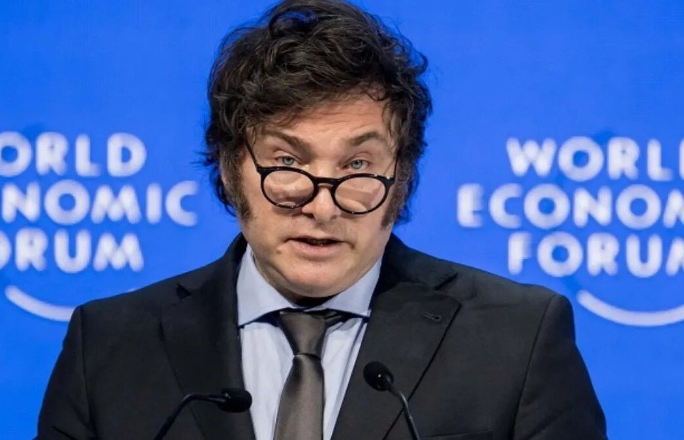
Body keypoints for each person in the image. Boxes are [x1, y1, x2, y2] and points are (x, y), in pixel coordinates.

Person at [37, 0, 607, 439]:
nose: (322, 205)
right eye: (287, 162)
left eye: (358, 165)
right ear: (230, 169)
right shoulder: (108, 347)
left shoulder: (516, 339)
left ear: (402, 178)